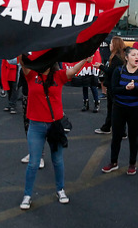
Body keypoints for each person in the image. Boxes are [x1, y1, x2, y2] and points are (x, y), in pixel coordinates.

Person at [18, 56, 91, 210]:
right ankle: (27, 195)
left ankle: (60, 189)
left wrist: (85, 59)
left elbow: (73, 71)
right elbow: (22, 60)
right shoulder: (31, 75)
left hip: (54, 126)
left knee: (57, 160)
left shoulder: (59, 76)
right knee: (33, 163)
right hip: (36, 125)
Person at [101, 47, 138, 176]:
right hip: (119, 108)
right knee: (116, 136)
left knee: (133, 137)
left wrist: (133, 89)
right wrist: (126, 88)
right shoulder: (119, 70)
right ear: (126, 57)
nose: (137, 57)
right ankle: (113, 162)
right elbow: (114, 89)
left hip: (135, 109)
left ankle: (132, 164)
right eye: (134, 55)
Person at [94, 36, 126, 134]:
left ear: (115, 45)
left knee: (114, 109)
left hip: (114, 87)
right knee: (112, 109)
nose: (110, 45)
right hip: (112, 86)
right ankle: (109, 127)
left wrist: (101, 67)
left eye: (111, 44)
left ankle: (118, 130)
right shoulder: (116, 56)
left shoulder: (116, 58)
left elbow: (111, 71)